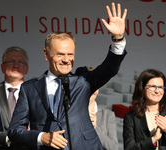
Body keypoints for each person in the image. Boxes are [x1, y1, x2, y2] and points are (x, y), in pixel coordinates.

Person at [8, 3, 127, 150]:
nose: (66, 59)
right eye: (60, 54)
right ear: (46, 54)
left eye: (70, 54)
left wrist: (118, 38)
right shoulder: (29, 88)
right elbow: (14, 131)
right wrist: (41, 137)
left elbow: (110, 68)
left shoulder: (83, 80)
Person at [123, 69, 166, 150]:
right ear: (142, 89)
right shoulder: (131, 118)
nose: (157, 91)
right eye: (153, 87)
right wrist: (153, 139)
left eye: (160, 87)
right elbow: (129, 148)